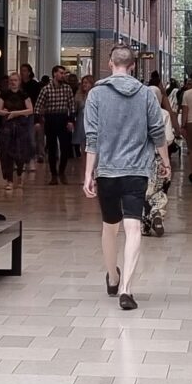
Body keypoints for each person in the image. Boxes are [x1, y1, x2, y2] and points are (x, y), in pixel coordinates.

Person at [81, 48, 171, 311]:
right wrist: (165, 161)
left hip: (107, 171)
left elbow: (92, 137)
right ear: (133, 66)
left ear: (110, 63)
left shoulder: (96, 94)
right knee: (133, 228)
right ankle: (126, 290)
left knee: (110, 227)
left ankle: (113, 277)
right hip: (136, 171)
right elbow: (157, 132)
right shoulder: (145, 94)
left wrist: (88, 173)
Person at [0, 71, 38, 182]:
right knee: (6, 150)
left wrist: (16, 113)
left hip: (21, 124)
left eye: (15, 80)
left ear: (19, 82)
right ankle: (9, 178)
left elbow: (30, 110)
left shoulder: (24, 94)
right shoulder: (4, 94)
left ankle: (19, 172)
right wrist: (7, 113)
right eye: (11, 80)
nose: (13, 82)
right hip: (8, 124)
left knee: (20, 151)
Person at [39, 66, 79, 183]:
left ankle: (61, 172)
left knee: (65, 147)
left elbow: (72, 106)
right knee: (52, 148)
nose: (63, 75)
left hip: (63, 118)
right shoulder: (46, 89)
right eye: (61, 73)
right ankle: (53, 174)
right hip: (51, 118)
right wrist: (39, 119)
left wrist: (71, 120)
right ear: (54, 74)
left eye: (64, 73)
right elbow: (38, 105)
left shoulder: (67, 88)